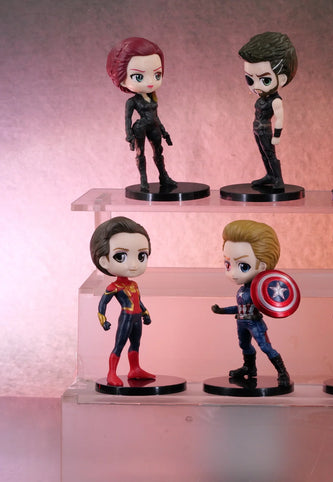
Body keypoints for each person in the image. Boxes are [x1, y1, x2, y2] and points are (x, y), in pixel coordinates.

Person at [211, 220, 291, 386]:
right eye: (228, 264)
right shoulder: (241, 290)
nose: (233, 273)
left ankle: (282, 371)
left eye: (243, 266)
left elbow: (269, 303)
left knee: (265, 347)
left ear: (262, 266)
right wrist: (222, 310)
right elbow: (239, 308)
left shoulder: (259, 290)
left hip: (255, 323)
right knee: (244, 345)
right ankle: (249, 367)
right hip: (241, 322)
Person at [90, 216, 154, 386]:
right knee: (119, 344)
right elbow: (103, 303)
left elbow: (138, 301)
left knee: (136, 343)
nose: (133, 265)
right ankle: (111, 373)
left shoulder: (133, 284)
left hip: (137, 317)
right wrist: (103, 319)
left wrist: (145, 313)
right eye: (121, 256)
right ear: (104, 260)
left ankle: (135, 369)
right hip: (126, 317)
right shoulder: (114, 287)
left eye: (141, 256)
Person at [107, 37, 177, 191]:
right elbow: (127, 119)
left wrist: (164, 131)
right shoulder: (132, 101)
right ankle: (143, 180)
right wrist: (129, 135)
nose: (150, 82)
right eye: (139, 77)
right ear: (122, 79)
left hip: (154, 126)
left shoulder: (152, 97)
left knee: (159, 151)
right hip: (140, 127)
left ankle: (163, 176)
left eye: (157, 75)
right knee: (140, 153)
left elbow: (156, 116)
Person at [238, 32, 298, 189]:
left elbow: (280, 118)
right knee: (263, 153)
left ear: (282, 79)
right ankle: (270, 175)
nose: (256, 86)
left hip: (265, 129)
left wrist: (277, 136)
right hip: (257, 128)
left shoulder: (275, 100)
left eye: (265, 80)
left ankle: (278, 179)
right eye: (250, 79)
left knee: (270, 154)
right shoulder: (262, 98)